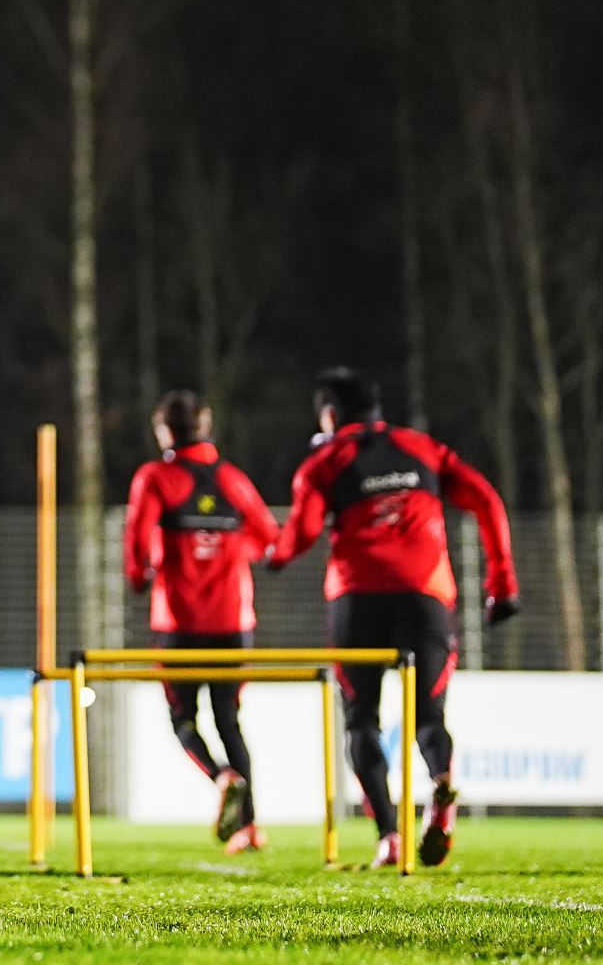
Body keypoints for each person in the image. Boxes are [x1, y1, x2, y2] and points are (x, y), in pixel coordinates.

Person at [269, 368, 519, 869]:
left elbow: (300, 534)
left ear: (330, 415)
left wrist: (273, 555)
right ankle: (443, 787)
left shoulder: (325, 461)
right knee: (429, 715)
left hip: (358, 596)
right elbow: (487, 500)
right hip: (426, 592)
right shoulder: (423, 448)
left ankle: (390, 836)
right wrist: (502, 585)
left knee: (361, 721)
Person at [123, 389, 279, 854]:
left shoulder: (156, 477)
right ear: (206, 426)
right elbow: (269, 537)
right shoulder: (232, 479)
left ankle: (220, 776)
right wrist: (232, 553)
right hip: (233, 620)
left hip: (179, 623)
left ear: (164, 431)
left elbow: (137, 537)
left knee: (182, 719)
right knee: (229, 720)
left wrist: (138, 576)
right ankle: (250, 828)